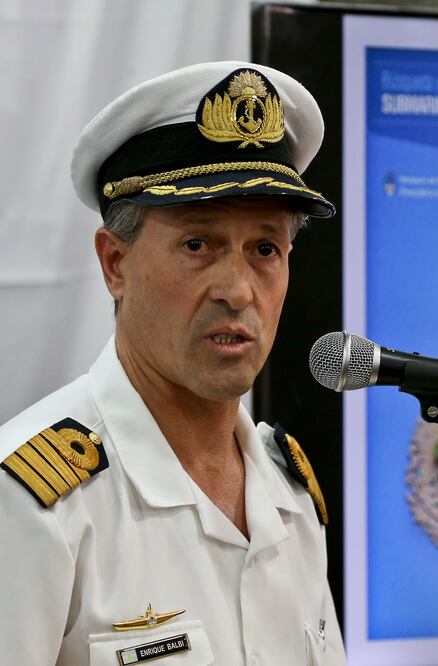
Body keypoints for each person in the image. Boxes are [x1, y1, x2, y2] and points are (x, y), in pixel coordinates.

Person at [0, 61, 347, 665]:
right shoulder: (33, 505)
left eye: (265, 248)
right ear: (115, 264)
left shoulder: (289, 493)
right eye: (198, 244)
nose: (238, 291)